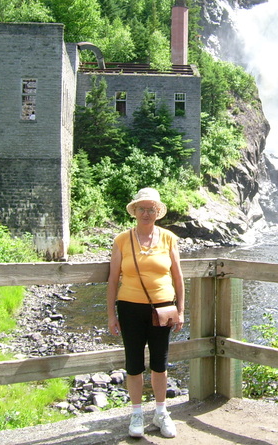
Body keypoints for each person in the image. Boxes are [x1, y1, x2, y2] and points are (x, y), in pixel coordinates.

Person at [107, 187, 185, 439]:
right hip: (129, 307)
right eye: (142, 208)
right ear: (135, 211)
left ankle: (161, 412)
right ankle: (137, 413)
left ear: (157, 212)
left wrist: (181, 310)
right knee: (134, 363)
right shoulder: (121, 240)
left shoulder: (169, 238)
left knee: (160, 363)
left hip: (163, 307)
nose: (146, 213)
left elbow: (177, 276)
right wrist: (111, 314)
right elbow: (112, 279)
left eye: (151, 209)